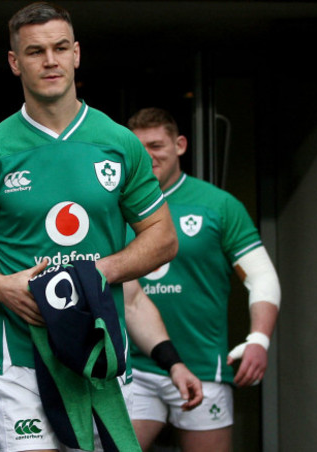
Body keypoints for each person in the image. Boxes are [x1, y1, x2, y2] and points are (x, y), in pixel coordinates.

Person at [0, 3, 202, 451]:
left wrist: (101, 272)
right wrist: (1, 287)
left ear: (77, 54)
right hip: (18, 359)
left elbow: (163, 237)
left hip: (100, 354)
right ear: (15, 62)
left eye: (60, 48)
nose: (50, 61)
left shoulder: (117, 142)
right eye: (35, 51)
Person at [125, 107, 281, 452]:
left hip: (203, 365)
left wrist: (259, 339)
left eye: (156, 145)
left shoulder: (218, 205)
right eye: (138, 149)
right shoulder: (114, 206)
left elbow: (261, 277)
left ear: (180, 145)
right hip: (133, 366)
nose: (147, 156)